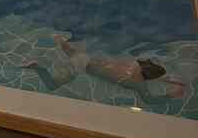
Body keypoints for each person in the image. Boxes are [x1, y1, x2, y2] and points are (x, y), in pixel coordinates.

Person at [23, 34, 185, 104]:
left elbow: (150, 69)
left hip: (86, 59)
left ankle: (60, 40)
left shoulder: (136, 63)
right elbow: (149, 100)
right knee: (52, 86)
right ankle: (37, 67)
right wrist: (171, 95)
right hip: (83, 65)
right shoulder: (138, 84)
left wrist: (165, 78)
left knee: (74, 54)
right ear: (148, 77)